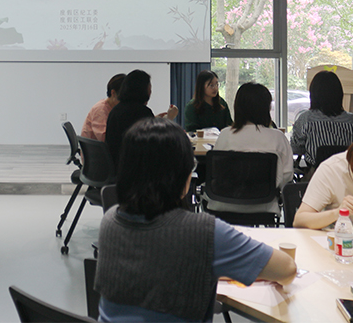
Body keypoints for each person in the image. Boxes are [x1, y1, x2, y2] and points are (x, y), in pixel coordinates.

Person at [94, 118, 296, 322]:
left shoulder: (110, 221)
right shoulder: (204, 233)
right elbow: (287, 269)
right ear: (183, 174)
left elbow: (156, 266)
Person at [205, 83, 293, 214]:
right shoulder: (278, 138)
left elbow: (217, 171)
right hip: (264, 205)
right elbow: (287, 177)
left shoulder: (225, 135)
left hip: (224, 202)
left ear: (237, 107)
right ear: (266, 108)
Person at [290, 71, 353, 168]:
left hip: (317, 174)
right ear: (339, 94)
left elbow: (295, 148)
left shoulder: (306, 119)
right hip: (347, 173)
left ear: (313, 95)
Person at [105, 70, 178, 167]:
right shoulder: (142, 112)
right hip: (135, 167)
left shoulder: (115, 111)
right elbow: (156, 142)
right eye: (149, 88)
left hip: (118, 165)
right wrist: (169, 120)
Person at [81, 73, 125, 142]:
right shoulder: (100, 110)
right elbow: (105, 138)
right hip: (96, 148)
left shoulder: (112, 107)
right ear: (113, 93)